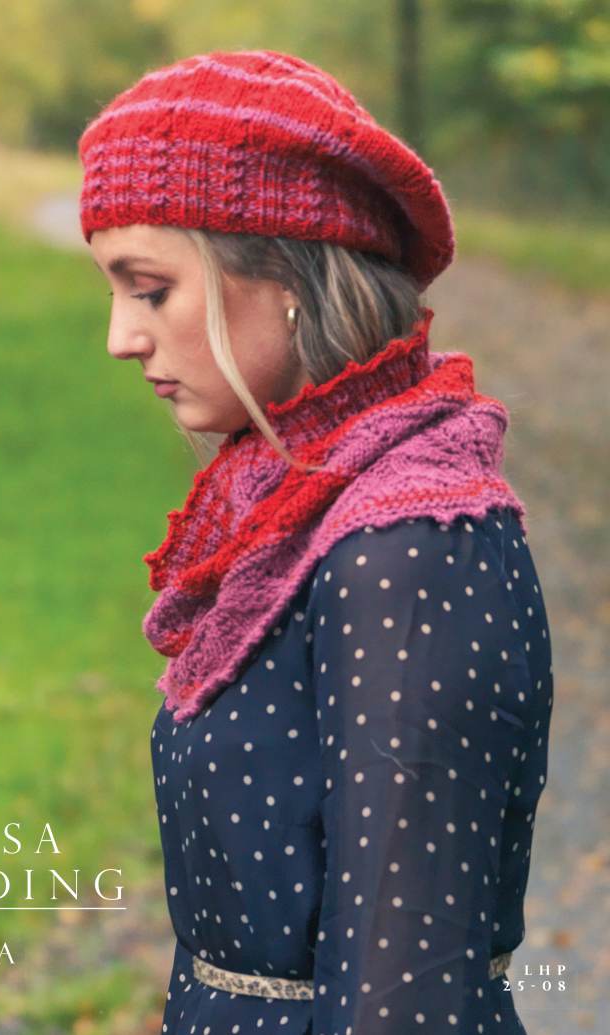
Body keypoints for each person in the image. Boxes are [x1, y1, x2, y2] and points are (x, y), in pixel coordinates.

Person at [78, 48, 553, 1035]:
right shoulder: (290, 515)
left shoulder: (410, 541)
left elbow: (406, 1000)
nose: (121, 337)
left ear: (287, 275)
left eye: (150, 289)